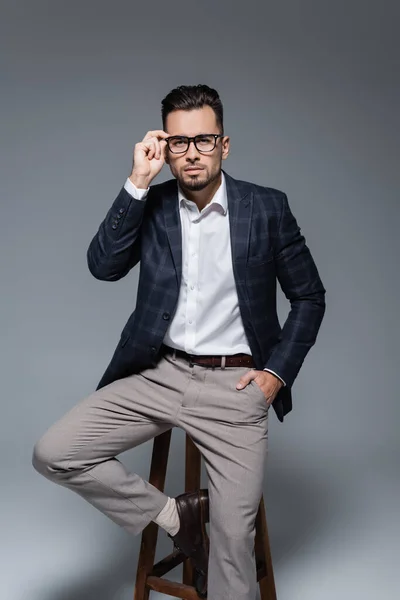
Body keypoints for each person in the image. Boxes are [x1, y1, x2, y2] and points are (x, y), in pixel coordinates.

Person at [32, 84, 326, 600]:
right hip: (158, 374)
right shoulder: (153, 202)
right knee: (54, 452)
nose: (192, 153)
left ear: (224, 145)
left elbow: (309, 298)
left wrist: (274, 377)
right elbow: (102, 267)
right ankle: (178, 516)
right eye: (178, 142)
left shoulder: (266, 208)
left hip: (236, 388)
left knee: (234, 545)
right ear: (165, 148)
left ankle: (212, 537)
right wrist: (136, 182)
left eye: (204, 140)